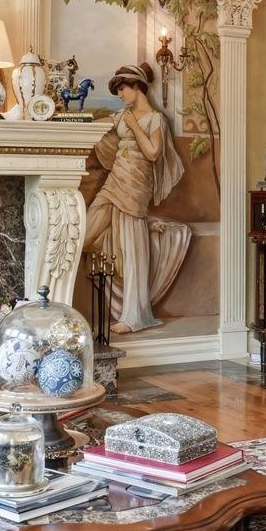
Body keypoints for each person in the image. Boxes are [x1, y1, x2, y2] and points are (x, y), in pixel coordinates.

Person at [83, 62, 191, 333]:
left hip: (137, 183)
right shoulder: (122, 116)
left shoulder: (155, 119)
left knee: (132, 247)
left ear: (137, 87)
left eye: (123, 89)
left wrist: (134, 125)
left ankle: (134, 316)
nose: (120, 94)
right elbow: (95, 129)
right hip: (116, 178)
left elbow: (153, 153)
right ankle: (149, 230)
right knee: (87, 229)